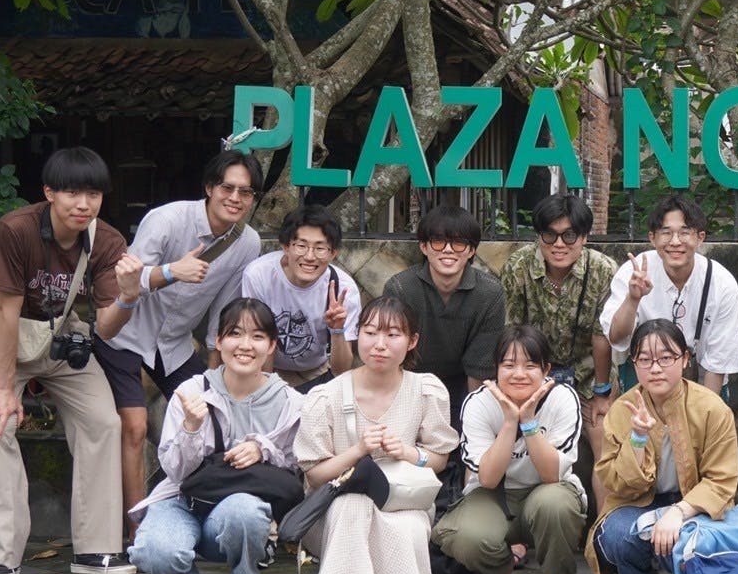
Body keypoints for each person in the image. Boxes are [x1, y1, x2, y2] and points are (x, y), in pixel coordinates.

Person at [0, 147, 139, 574]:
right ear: (49, 193)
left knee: (104, 422)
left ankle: (96, 549)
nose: (84, 204)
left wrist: (128, 296)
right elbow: (8, 312)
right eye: (72, 193)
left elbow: (107, 326)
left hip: (61, 337)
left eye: (93, 194)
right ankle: (4, 555)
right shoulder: (16, 229)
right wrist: (4, 388)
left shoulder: (108, 241)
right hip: (5, 337)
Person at [96, 149, 264, 520]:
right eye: (227, 188)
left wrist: (217, 369)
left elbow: (225, 307)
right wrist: (173, 271)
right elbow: (128, 278)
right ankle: (136, 528)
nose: (235, 198)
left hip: (173, 345)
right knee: (135, 427)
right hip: (125, 336)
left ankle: (206, 513)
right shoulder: (168, 219)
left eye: (246, 192)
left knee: (217, 418)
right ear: (209, 188)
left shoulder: (248, 242)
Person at [293, 296, 460, 574]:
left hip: (402, 498)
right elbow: (314, 475)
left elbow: (439, 458)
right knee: (352, 505)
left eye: (393, 335)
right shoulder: (326, 396)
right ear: (358, 335)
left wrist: (408, 453)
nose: (379, 344)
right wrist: (357, 451)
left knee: (409, 525)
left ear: (412, 341)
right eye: (370, 333)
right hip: (335, 505)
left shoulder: (426, 390)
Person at [128, 299, 301, 574]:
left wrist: (261, 448)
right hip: (183, 501)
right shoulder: (192, 391)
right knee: (155, 549)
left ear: (272, 345)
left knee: (246, 512)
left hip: (238, 508)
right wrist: (191, 428)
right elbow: (176, 472)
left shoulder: (290, 402)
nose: (245, 345)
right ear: (219, 341)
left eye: (257, 336)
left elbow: (296, 467)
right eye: (235, 334)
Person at [586, 320, 738, 574]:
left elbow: (721, 481)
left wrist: (678, 512)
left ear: (685, 359)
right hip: (639, 504)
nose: (655, 368)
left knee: (691, 541)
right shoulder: (622, 410)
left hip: (693, 506)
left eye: (666, 358)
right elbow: (615, 482)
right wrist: (637, 439)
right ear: (634, 364)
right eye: (645, 359)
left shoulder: (712, 408)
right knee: (616, 534)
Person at [434, 326, 588, 574]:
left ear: (546, 370)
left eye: (530, 366)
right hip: (494, 494)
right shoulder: (479, 402)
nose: (519, 374)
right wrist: (509, 422)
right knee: (464, 535)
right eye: (508, 365)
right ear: (495, 369)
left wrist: (528, 421)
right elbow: (489, 478)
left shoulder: (562, 398)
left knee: (556, 504)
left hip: (546, 490)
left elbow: (550, 475)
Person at [498, 193, 615, 504]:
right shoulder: (518, 267)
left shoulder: (603, 270)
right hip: (533, 370)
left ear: (584, 237)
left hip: (589, 373)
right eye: (549, 235)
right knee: (516, 432)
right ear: (538, 235)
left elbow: (601, 335)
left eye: (569, 235)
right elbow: (512, 331)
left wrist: (602, 391)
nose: (559, 244)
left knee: (605, 443)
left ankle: (604, 525)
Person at [601, 195, 738, 395]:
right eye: (666, 233)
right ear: (652, 238)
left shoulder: (722, 284)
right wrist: (632, 299)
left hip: (701, 382)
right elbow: (616, 337)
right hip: (644, 378)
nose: (675, 242)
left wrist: (705, 410)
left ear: (700, 237)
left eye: (685, 232)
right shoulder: (634, 272)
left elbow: (718, 363)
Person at [379, 205, 506, 422]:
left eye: (459, 243)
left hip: (463, 385)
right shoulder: (400, 288)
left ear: (471, 250)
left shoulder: (490, 293)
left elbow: (479, 369)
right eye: (438, 242)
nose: (448, 250)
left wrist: (472, 419)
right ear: (424, 247)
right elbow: (391, 355)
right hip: (408, 383)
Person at [239, 204, 362, 392]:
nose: (310, 257)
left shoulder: (344, 289)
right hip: (267, 368)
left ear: (333, 253)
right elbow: (257, 341)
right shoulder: (259, 275)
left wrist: (337, 330)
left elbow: (341, 371)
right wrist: (266, 392)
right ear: (286, 246)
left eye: (320, 248)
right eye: (301, 246)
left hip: (318, 371)